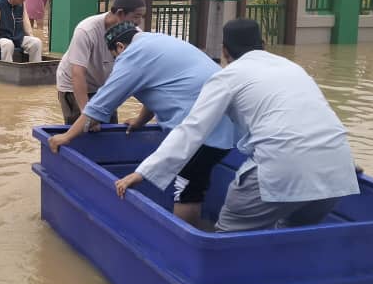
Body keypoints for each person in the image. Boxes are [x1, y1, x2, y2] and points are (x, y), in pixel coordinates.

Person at [114, 18, 361, 232]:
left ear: (224, 51)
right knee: (293, 234)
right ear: (263, 44)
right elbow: (318, 118)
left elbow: (192, 130)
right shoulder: (292, 67)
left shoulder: (227, 77)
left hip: (280, 169)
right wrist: (345, 164)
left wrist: (143, 172)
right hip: (338, 173)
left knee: (227, 237)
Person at [49, 21, 234, 227]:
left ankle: (184, 247)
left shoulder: (132, 55)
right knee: (195, 184)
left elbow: (99, 106)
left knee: (186, 189)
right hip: (227, 125)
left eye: (115, 57)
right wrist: (139, 121)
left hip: (200, 130)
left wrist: (66, 137)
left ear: (120, 47)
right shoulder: (158, 42)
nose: (117, 61)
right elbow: (159, 90)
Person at [55, 0, 146, 125]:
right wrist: (87, 117)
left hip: (103, 86)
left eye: (141, 17)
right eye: (136, 16)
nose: (139, 22)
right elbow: (77, 73)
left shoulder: (135, 34)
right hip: (74, 85)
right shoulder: (87, 30)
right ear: (120, 13)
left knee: (109, 130)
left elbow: (138, 73)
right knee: (81, 132)